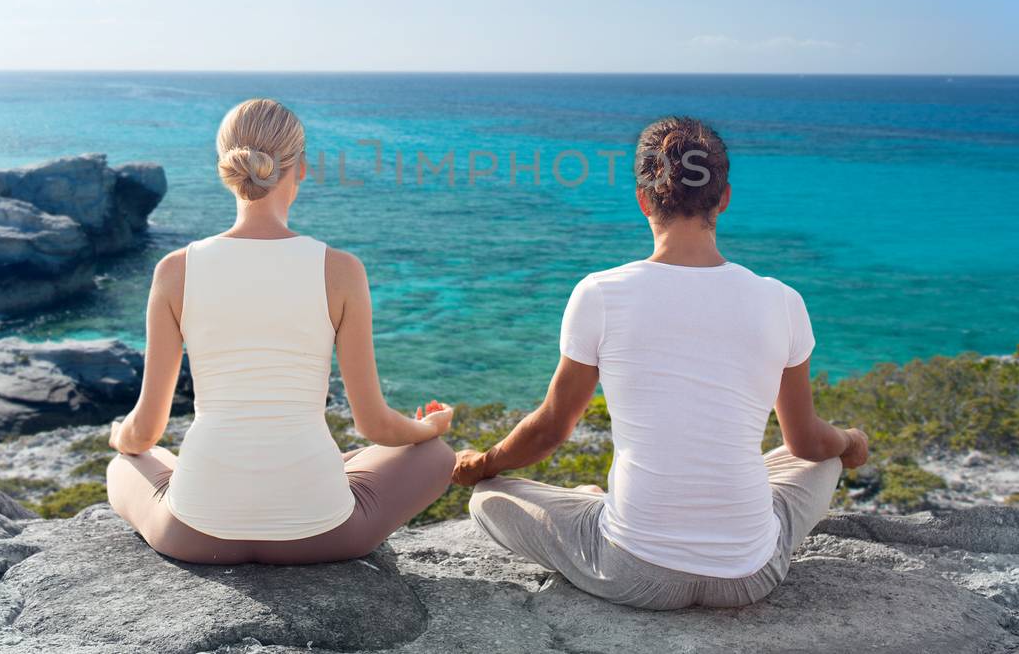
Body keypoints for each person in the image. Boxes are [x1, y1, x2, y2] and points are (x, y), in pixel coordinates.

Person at [452, 116, 869, 609]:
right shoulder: (781, 300)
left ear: (644, 199)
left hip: (635, 571)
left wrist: (482, 464)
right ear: (724, 198)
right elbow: (804, 441)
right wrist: (851, 442)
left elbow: (550, 429)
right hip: (752, 575)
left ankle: (598, 506)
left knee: (487, 500)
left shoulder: (601, 293)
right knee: (822, 461)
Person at [107, 97, 455, 564]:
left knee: (126, 462)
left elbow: (146, 432)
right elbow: (374, 425)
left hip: (193, 533)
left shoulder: (175, 270)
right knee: (436, 456)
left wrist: (119, 437)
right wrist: (426, 427)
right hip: (324, 534)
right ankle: (328, 472)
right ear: (302, 168)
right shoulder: (341, 270)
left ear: (225, 168)